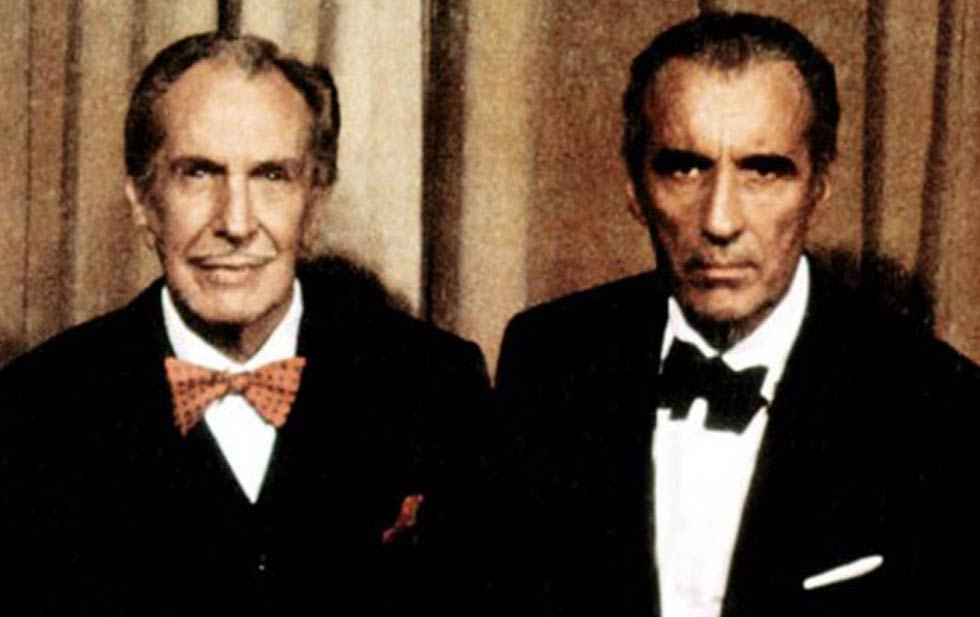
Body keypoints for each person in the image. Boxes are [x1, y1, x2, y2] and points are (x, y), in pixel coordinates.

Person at [493, 11, 979, 617]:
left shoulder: (938, 403)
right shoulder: (549, 357)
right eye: (684, 167)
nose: (720, 220)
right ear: (635, 189)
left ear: (819, 187)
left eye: (764, 170)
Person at [0, 32, 488, 615]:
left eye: (271, 176)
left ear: (315, 202)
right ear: (142, 202)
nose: (235, 222)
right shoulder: (34, 408)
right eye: (199, 174)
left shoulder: (435, 382)